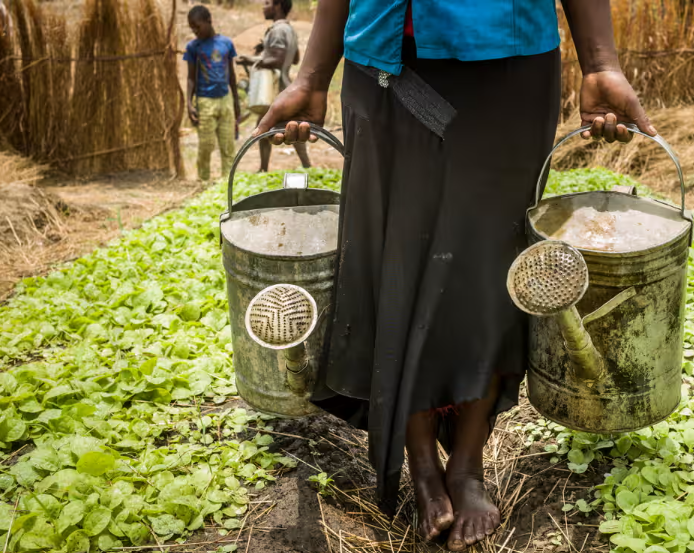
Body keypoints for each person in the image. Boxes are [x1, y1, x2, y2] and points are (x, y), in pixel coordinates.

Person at [255, 1, 656, 550]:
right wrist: (312, 75)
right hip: (386, 63)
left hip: (506, 62)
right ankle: (420, 459)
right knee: (395, 256)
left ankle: (467, 463)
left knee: (491, 262)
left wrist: (600, 63)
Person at [238, 0, 311, 171]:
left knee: (268, 128)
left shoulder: (277, 30)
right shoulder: (289, 29)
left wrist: (251, 60)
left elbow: (277, 60)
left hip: (275, 89)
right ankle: (302, 166)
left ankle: (301, 166)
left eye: (267, 3)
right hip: (285, 85)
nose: (264, 7)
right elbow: (294, 59)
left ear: (277, 6)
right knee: (287, 127)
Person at [184, 5, 240, 182]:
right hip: (205, 101)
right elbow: (190, 78)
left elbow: (231, 75)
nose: (194, 30)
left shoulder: (226, 43)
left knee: (228, 146)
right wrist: (189, 103)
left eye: (197, 26)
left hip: (225, 99)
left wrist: (236, 102)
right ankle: (203, 183)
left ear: (209, 21)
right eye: (191, 27)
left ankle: (227, 184)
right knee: (206, 146)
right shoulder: (193, 47)